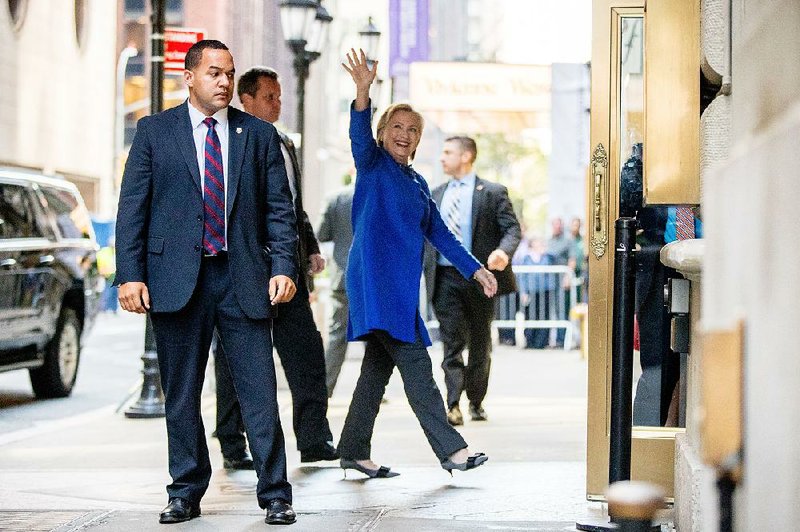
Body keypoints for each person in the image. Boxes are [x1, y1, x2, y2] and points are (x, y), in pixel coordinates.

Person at [115, 40, 297, 525]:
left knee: (259, 392)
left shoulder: (257, 135)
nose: (224, 82)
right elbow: (132, 207)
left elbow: (279, 210)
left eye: (230, 74)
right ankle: (185, 491)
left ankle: (276, 493)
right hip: (176, 281)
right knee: (181, 394)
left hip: (244, 279)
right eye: (215, 73)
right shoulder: (154, 131)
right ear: (189, 76)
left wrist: (284, 265)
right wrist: (129, 275)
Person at [337, 49, 495, 478]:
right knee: (418, 370)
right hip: (375, 284)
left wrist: (476, 269)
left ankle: (352, 449)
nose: (403, 134)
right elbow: (357, 132)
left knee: (375, 372)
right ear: (383, 132)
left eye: (412, 130)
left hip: (399, 290)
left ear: (418, 139)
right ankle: (452, 451)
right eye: (396, 127)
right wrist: (363, 91)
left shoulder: (417, 182)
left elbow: (440, 234)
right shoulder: (371, 165)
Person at [209, 66, 338, 471]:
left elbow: (290, 206)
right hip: (244, 271)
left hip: (289, 270)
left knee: (307, 355)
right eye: (269, 97)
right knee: (234, 361)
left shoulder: (284, 143)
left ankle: (315, 440)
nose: (277, 104)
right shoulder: (228, 141)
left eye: (280, 97)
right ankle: (233, 443)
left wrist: (310, 247)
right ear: (245, 100)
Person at [424, 136, 521, 426]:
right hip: (444, 278)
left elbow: (512, 229)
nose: (442, 158)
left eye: (448, 152)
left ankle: (476, 400)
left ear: (466, 156)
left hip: (482, 278)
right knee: (451, 341)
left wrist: (503, 252)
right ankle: (452, 403)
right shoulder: (435, 194)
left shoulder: (492, 192)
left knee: (480, 342)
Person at [316, 184, 355, 397]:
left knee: (337, 335)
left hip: (343, 276)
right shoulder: (382, 194)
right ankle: (372, 389)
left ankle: (325, 390)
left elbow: (321, 234)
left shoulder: (336, 197)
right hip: (373, 279)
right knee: (378, 336)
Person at [546, 217, 575, 347]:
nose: (556, 227)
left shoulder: (568, 241)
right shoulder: (549, 241)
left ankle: (562, 339)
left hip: (562, 279)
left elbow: (572, 259)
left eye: (559, 224)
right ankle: (553, 339)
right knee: (552, 310)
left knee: (562, 309)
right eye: (554, 225)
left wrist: (568, 277)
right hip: (550, 280)